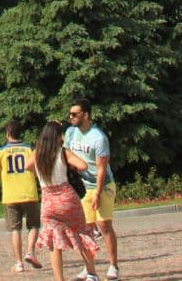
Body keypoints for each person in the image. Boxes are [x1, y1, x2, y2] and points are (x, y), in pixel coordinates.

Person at [25, 121, 98, 281]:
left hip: (48, 202)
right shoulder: (63, 152)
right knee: (81, 233)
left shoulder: (38, 153)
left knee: (54, 242)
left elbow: (27, 166)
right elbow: (83, 165)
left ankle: (59, 279)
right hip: (66, 198)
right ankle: (91, 273)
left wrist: (39, 172)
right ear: (58, 137)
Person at [65, 98, 119, 281]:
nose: (70, 117)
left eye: (74, 114)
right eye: (70, 114)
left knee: (104, 225)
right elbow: (67, 153)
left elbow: (102, 168)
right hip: (82, 187)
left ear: (86, 115)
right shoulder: (71, 133)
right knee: (85, 229)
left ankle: (113, 265)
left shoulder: (99, 137)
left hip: (102, 185)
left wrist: (97, 193)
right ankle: (89, 269)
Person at [0, 120, 42, 272]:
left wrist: (4, 178)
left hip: (10, 195)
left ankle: (19, 263)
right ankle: (30, 251)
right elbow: (37, 170)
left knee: (15, 230)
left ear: (7, 134)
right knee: (34, 225)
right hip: (29, 192)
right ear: (21, 133)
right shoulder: (29, 149)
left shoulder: (2, 152)